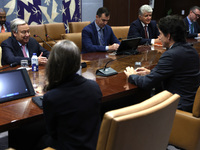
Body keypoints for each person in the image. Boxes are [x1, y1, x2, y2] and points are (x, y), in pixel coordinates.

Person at [124, 15, 200, 113]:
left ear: (168, 36)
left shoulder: (171, 55)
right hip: (190, 103)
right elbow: (177, 75)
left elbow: (147, 83)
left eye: (160, 34)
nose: (159, 37)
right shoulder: (192, 51)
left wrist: (132, 76)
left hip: (177, 108)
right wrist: (151, 72)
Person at [40, 40, 102, 149]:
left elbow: (52, 133)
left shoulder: (51, 97)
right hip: (93, 144)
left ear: (53, 63)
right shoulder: (94, 87)